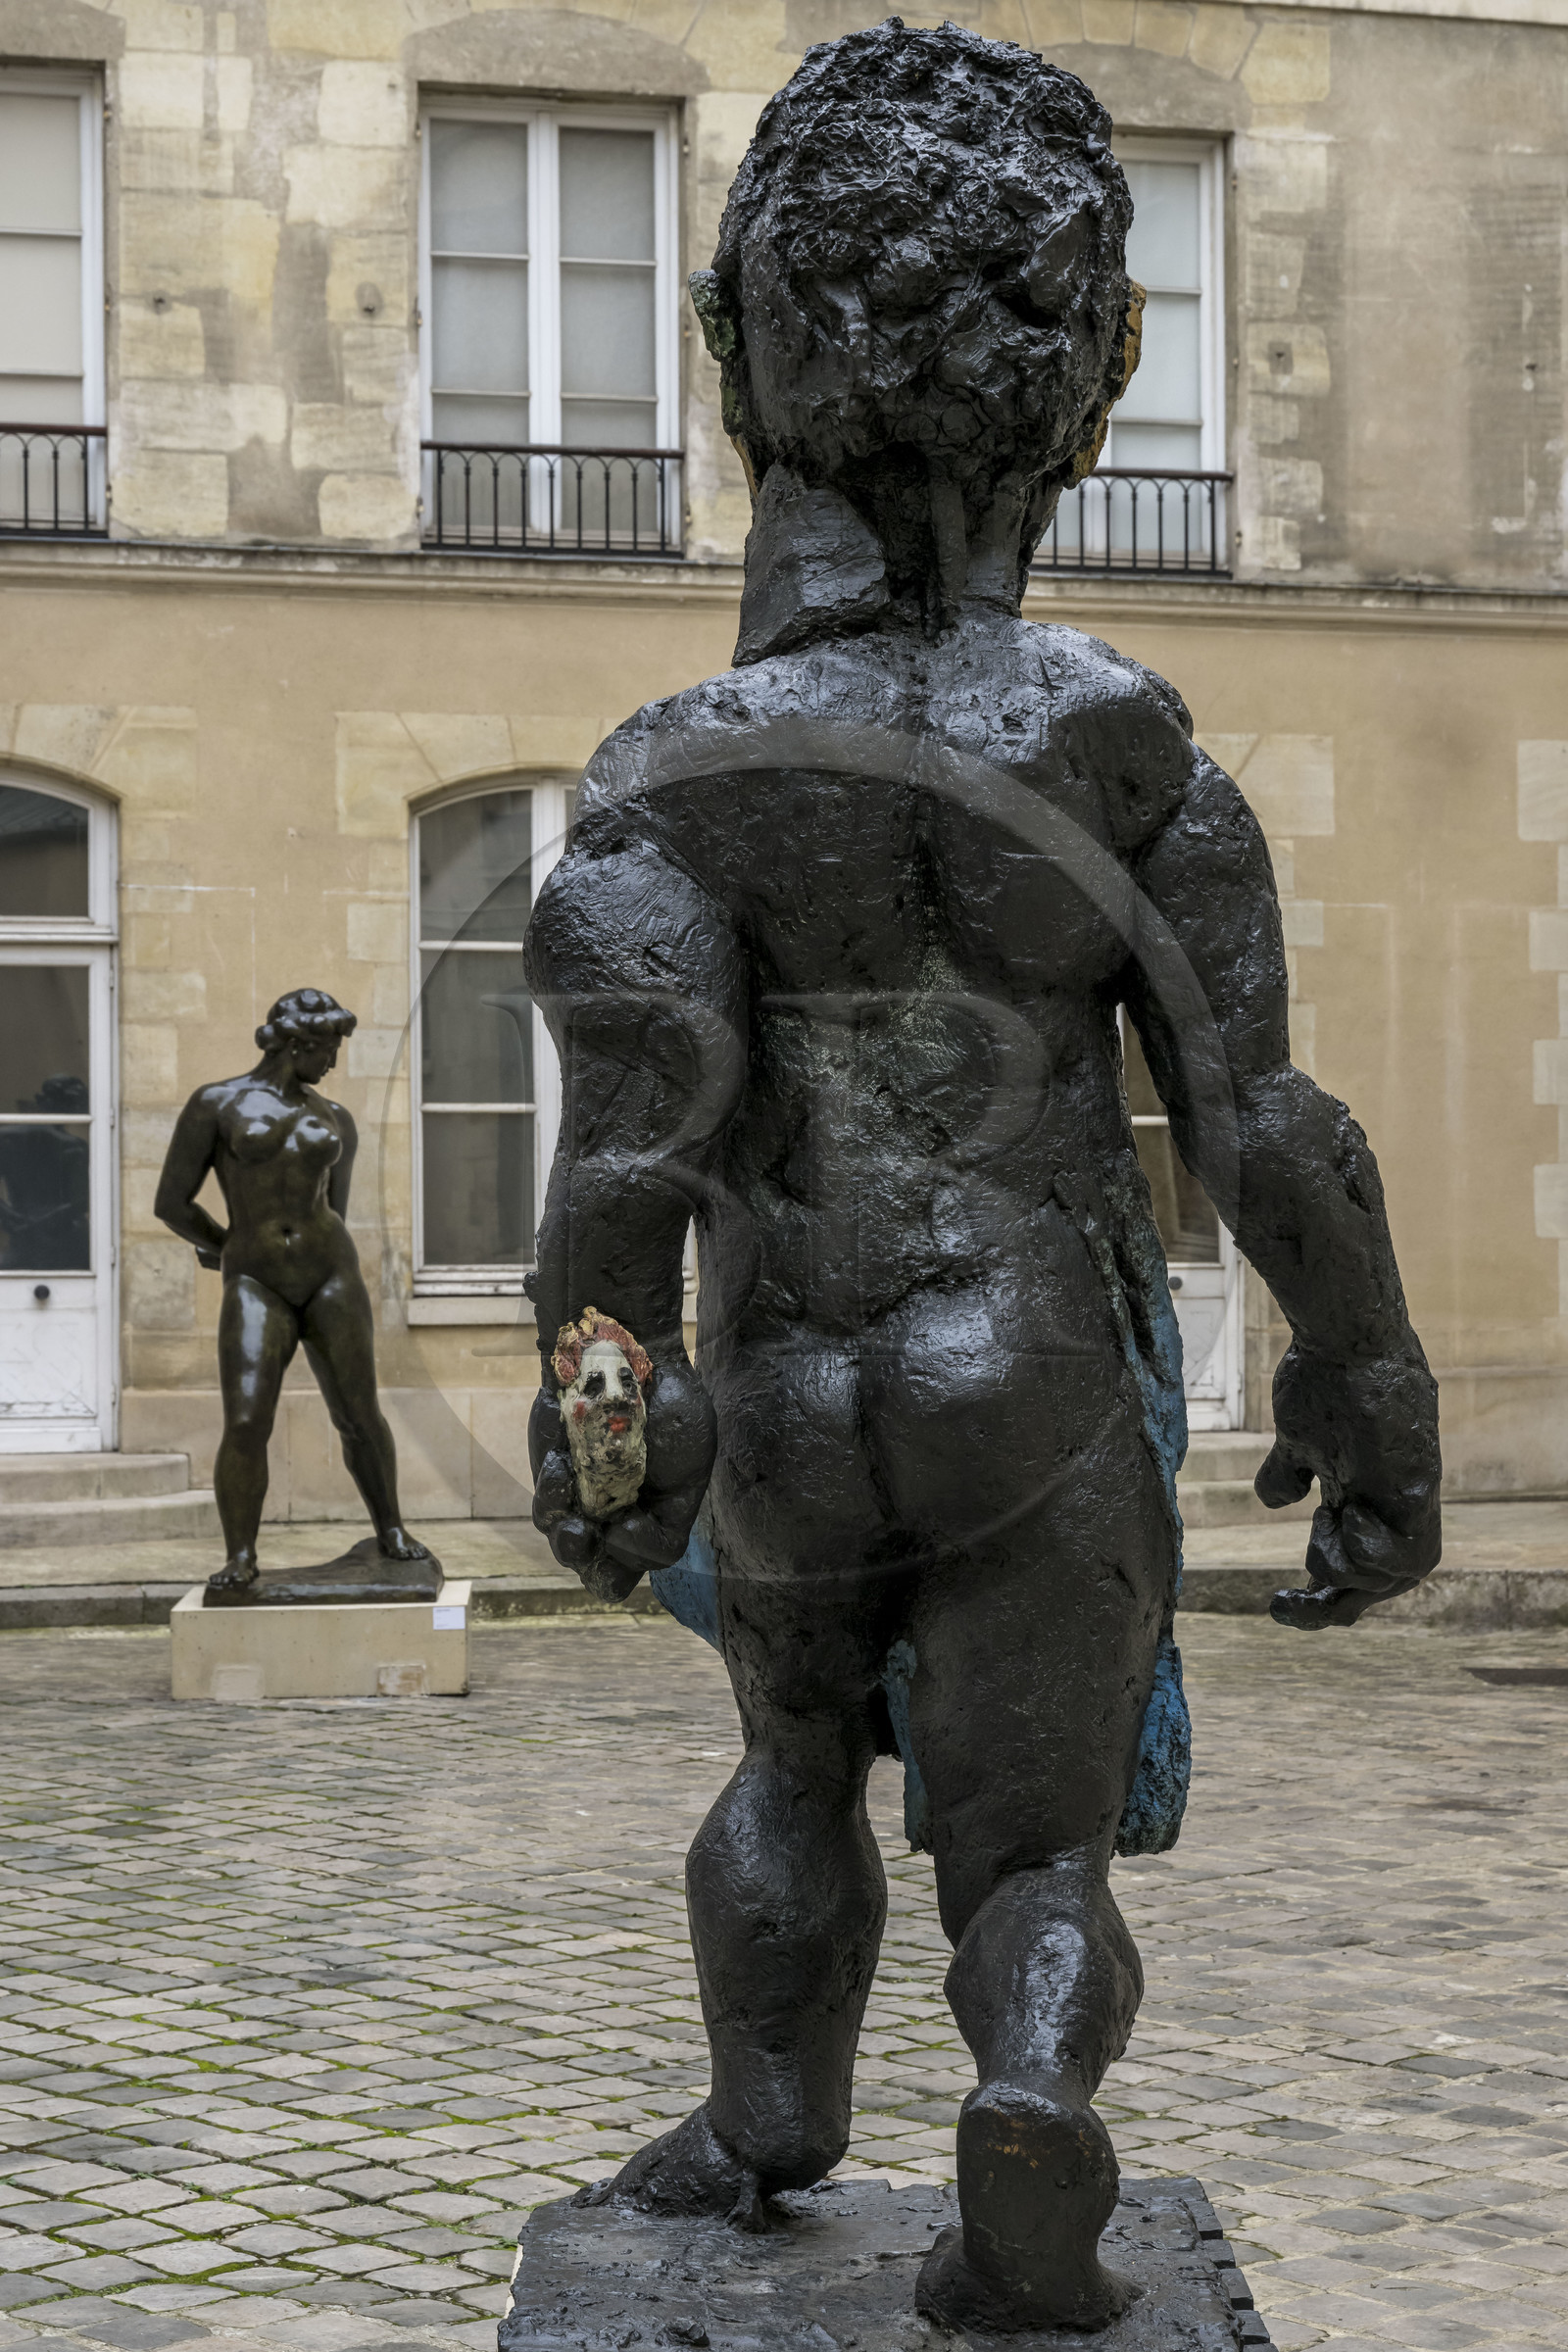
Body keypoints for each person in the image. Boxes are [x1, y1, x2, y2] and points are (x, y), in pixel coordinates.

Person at [521, 23, 1441, 2333]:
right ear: (1101, 375)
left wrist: (594, 1417)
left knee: (783, 1751)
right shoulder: (1129, 756)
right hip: (1026, 1347)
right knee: (1023, 1838)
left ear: (738, 350)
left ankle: (761, 2121)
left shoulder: (672, 778)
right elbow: (1267, 1136)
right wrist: (1363, 1389)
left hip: (792, 1368)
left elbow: (627, 1165)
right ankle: (1026, 2082)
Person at [155, 987, 430, 1595]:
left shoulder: (336, 1120)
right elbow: (171, 1202)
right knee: (248, 1419)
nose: (334, 1062)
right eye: (329, 1049)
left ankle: (390, 1529)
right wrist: (226, 1244)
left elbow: (336, 1207)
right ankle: (242, 1555)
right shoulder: (216, 1104)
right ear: (299, 1043)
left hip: (331, 1275)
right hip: (256, 1282)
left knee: (359, 1415)